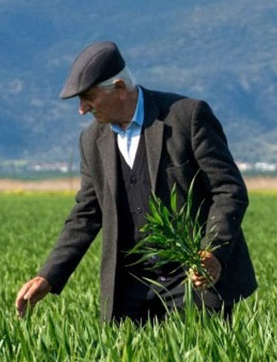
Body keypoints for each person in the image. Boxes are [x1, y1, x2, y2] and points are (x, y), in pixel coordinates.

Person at [15, 41, 257, 323]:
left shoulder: (186, 117)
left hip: (193, 280)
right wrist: (49, 276)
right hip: (130, 288)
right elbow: (87, 214)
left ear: (119, 88)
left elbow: (229, 190)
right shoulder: (92, 141)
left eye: (88, 97)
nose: (82, 109)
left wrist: (211, 252)